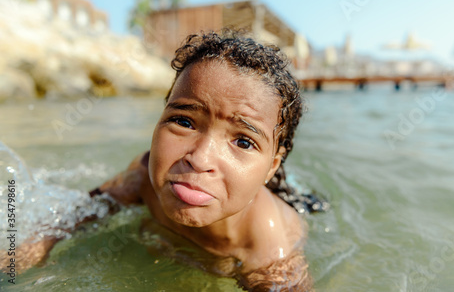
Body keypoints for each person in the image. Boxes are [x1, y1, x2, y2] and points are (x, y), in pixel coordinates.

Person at [2, 29, 328, 291]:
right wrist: (25, 253)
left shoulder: (267, 249)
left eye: (243, 141)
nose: (199, 159)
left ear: (272, 166)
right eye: (184, 122)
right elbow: (78, 214)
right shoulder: (142, 176)